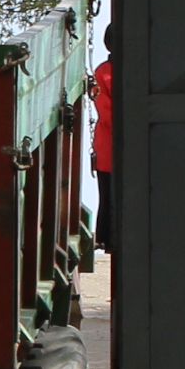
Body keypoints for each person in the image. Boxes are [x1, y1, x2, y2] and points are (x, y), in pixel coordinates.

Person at [86, 26, 115, 255]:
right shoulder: (104, 73)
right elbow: (107, 112)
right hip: (110, 145)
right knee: (109, 195)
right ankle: (108, 238)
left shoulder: (104, 72)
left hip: (110, 144)